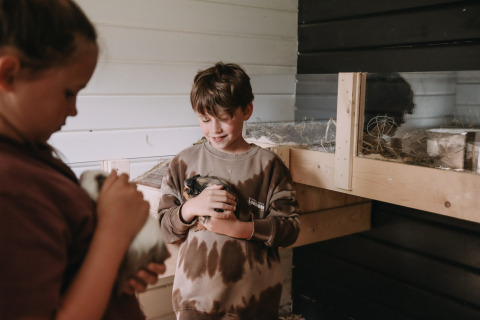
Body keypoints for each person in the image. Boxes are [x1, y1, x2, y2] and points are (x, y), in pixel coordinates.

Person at [0, 1, 165, 319]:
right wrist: (114, 232)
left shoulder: (28, 150)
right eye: (69, 92)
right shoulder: (9, 188)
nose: (74, 110)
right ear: (9, 74)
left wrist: (118, 266)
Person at [158, 62, 301, 319]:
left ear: (247, 110)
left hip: (255, 302)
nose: (214, 129)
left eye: (224, 118)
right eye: (204, 119)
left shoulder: (269, 166)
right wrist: (190, 208)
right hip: (197, 301)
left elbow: (290, 228)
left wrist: (241, 229)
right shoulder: (183, 163)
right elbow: (165, 229)